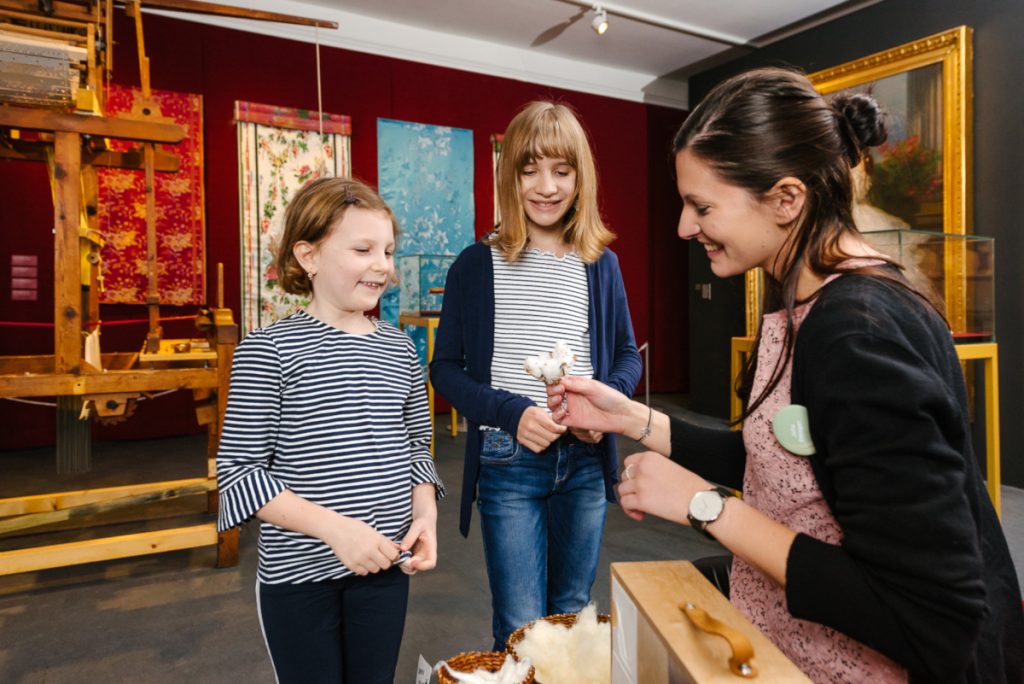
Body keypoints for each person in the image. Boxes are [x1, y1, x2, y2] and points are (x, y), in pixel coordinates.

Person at [547, 68, 1024, 683]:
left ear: (786, 199)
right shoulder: (805, 299)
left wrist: (704, 506)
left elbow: (930, 615)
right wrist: (632, 417)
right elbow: (779, 463)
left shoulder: (856, 334)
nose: (684, 228)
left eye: (701, 205)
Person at [430, 100, 642, 650]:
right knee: (521, 625)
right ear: (510, 176)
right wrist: (512, 412)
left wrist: (606, 405)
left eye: (562, 171)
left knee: (574, 613)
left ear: (580, 178)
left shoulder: (601, 263)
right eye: (530, 170)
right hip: (508, 458)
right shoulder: (477, 264)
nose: (546, 186)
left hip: (586, 463)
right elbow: (446, 369)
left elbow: (626, 356)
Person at [216, 177, 445, 684]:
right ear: (308, 256)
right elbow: (239, 473)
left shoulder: (401, 349)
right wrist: (337, 531)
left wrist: (425, 514)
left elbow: (416, 449)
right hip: (298, 580)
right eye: (363, 249)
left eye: (387, 249)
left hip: (385, 570)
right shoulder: (267, 351)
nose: (382, 264)